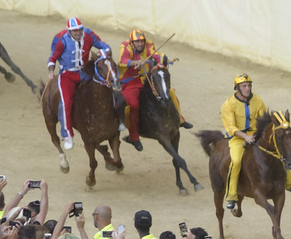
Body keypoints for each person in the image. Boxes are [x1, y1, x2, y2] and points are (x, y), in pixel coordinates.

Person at [220, 73, 291, 211]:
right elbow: (231, 128)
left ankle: (289, 183)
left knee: (278, 152)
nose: (248, 88)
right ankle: (232, 195)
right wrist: (245, 137)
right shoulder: (228, 104)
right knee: (236, 161)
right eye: (244, 86)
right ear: (237, 88)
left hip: (255, 135)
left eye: (249, 85)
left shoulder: (257, 99)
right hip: (238, 138)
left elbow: (264, 118)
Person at [47, 17, 114, 151]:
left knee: (106, 86)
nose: (78, 33)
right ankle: (67, 135)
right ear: (69, 31)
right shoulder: (61, 40)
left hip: (84, 72)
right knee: (65, 103)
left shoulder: (89, 35)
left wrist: (101, 54)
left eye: (79, 30)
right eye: (74, 31)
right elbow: (53, 58)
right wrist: (51, 72)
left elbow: (105, 46)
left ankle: (116, 119)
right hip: (67, 75)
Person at [119, 29, 192, 150]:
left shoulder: (149, 44)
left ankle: (180, 119)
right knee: (134, 104)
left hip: (145, 79)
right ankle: (134, 136)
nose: (140, 44)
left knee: (170, 92)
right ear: (132, 42)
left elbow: (156, 55)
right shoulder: (125, 46)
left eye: (142, 41)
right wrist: (136, 62)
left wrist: (166, 59)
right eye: (137, 42)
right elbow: (123, 61)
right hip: (130, 81)